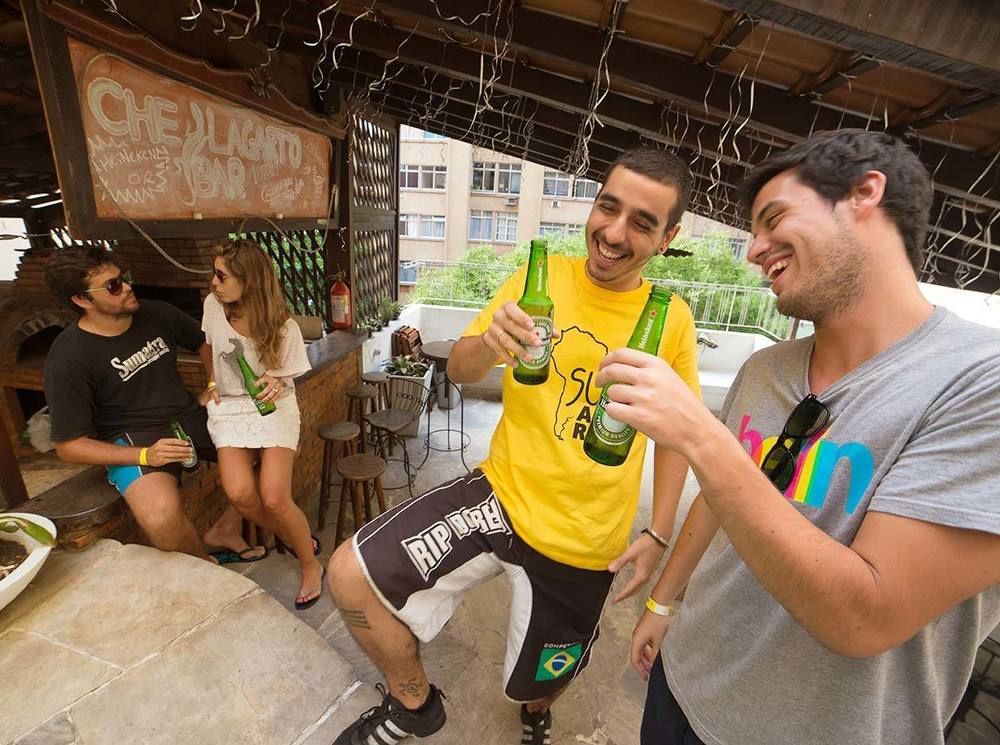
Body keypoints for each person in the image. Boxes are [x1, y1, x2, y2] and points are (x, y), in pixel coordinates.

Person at [596, 130, 1000, 745]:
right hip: (683, 687)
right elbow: (719, 499)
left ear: (865, 194)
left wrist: (701, 437)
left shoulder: (977, 382)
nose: (755, 251)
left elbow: (864, 618)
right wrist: (662, 602)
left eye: (774, 218)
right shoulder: (767, 370)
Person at [326, 147, 701, 745]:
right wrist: (490, 343)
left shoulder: (671, 319)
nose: (613, 232)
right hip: (499, 495)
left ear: (668, 236)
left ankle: (535, 710)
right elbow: (466, 370)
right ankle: (414, 704)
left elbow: (677, 435)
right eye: (608, 207)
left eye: (641, 222)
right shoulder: (539, 279)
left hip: (585, 540)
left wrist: (657, 532)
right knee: (349, 574)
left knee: (537, 684)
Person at [43, 245, 260, 562]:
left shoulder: (156, 313)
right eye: (113, 286)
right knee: (160, 518)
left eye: (124, 278)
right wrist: (144, 454)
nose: (127, 287)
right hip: (133, 438)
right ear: (82, 300)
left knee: (270, 450)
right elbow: (68, 446)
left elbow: (205, 343)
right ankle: (207, 567)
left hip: (186, 414)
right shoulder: (67, 360)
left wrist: (212, 384)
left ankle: (226, 528)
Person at [202, 239, 322, 610]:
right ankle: (296, 536)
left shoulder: (282, 326)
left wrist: (278, 378)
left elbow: (289, 372)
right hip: (230, 408)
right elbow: (208, 345)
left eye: (222, 276)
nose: (214, 282)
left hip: (274, 408)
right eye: (214, 272)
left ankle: (310, 562)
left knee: (273, 496)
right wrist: (210, 382)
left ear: (249, 280)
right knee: (239, 493)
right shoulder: (212, 306)